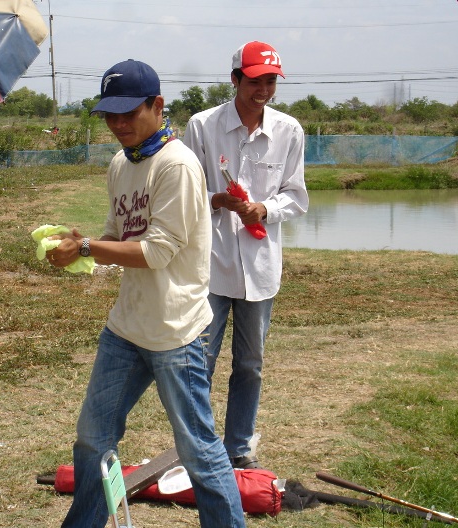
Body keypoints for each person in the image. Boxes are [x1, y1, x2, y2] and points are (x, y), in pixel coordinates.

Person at [48, 59, 246, 528]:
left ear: (157, 106)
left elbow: (157, 252)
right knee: (93, 439)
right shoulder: (122, 163)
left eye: (128, 113)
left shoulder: (177, 165)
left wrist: (91, 248)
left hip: (176, 332)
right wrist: (82, 250)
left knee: (198, 449)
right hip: (127, 327)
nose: (118, 124)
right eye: (110, 115)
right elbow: (119, 233)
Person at [183, 41, 309, 469]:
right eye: (255, 80)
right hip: (212, 263)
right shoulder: (202, 126)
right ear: (235, 79)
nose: (263, 89)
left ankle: (238, 449)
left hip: (259, 264)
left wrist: (265, 209)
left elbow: (296, 196)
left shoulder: (289, 131)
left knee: (250, 363)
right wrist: (215, 199)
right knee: (199, 359)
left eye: (271, 81)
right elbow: (183, 191)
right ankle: (200, 446)